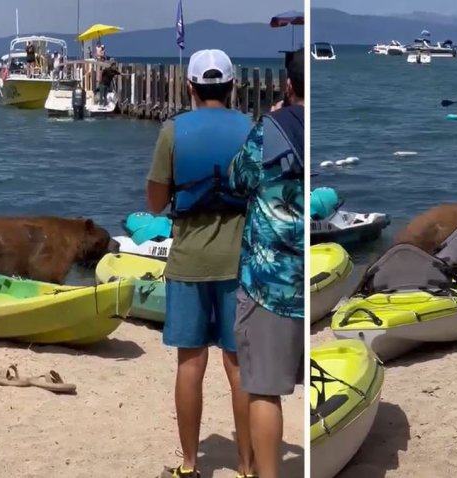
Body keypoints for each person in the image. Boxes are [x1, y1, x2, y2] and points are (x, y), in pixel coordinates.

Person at [146, 49, 255, 478]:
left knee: (190, 364)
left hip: (189, 261)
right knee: (239, 366)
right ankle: (247, 466)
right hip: (239, 262)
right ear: (232, 87)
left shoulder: (173, 132)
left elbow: (155, 204)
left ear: (189, 87)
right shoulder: (251, 129)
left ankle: (190, 465)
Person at [228, 48, 305, 478]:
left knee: (263, 392)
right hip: (307, 277)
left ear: (287, 86)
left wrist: (270, 120)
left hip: (268, 282)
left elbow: (239, 177)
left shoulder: (270, 131)